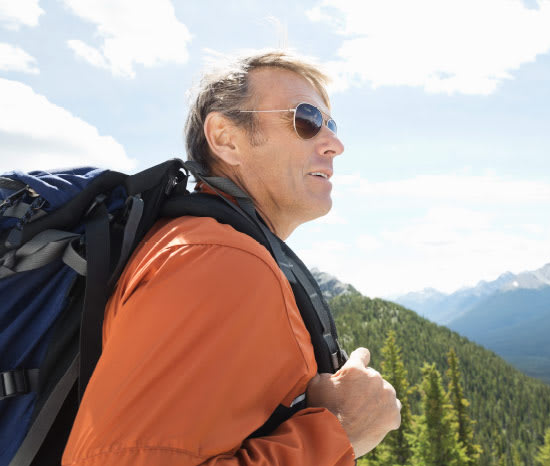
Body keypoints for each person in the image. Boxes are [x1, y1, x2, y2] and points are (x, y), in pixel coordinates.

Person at [62, 51, 401, 466]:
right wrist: (339, 430)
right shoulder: (217, 259)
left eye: (332, 125)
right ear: (226, 138)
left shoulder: (207, 248)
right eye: (307, 119)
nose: (334, 144)